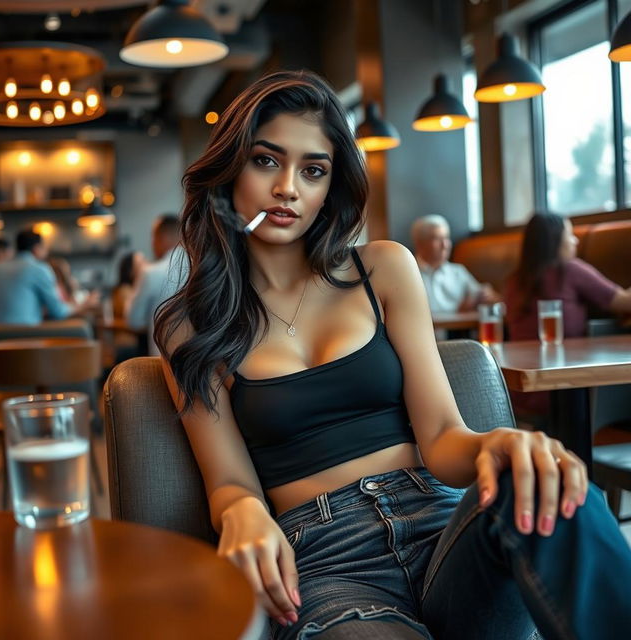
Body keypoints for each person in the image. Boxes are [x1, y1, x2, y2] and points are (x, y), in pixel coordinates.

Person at [154, 70, 631, 640]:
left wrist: (498, 443)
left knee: (559, 488)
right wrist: (241, 511)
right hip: (326, 563)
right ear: (230, 168)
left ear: (331, 185)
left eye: (313, 170)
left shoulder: (383, 268)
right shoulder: (190, 324)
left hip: (443, 522)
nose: (288, 188)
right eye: (265, 161)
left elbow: (444, 438)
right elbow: (229, 480)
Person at [504, 212, 631, 420]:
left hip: (515, 393)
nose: (576, 241)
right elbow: (625, 302)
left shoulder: (513, 280)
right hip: (562, 391)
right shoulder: (570, 270)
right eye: (570, 235)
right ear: (556, 241)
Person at [0, 229, 98, 324]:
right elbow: (58, 311)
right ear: (36, 248)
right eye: (44, 247)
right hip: (22, 335)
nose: (46, 251)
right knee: (82, 329)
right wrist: (84, 305)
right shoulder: (39, 269)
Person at [412, 215, 499, 313]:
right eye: (436, 238)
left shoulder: (458, 271)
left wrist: (487, 296)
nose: (445, 245)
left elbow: (487, 297)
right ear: (420, 244)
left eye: (446, 238)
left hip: (458, 328)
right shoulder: (408, 274)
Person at [127, 214, 185, 355]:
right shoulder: (204, 268)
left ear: (163, 238)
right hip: (205, 363)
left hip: (162, 363)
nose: (152, 244)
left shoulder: (151, 273)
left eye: (154, 238)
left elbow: (133, 321)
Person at [111, 250, 147, 320]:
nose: (147, 266)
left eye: (146, 261)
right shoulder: (124, 290)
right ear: (130, 271)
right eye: (141, 264)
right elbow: (130, 315)